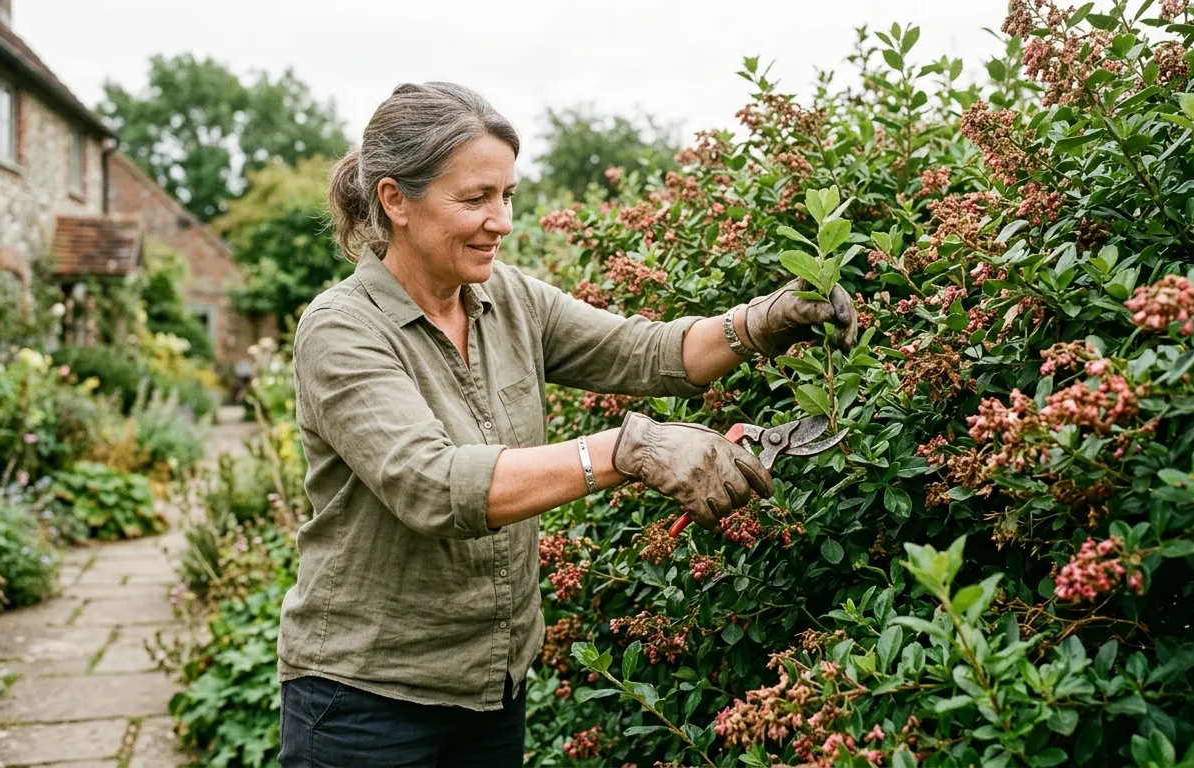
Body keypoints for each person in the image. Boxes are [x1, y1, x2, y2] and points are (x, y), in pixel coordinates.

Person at [277, 81, 858, 768]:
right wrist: (627, 450)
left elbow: (646, 352)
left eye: (507, 196)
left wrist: (758, 322)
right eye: (475, 199)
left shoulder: (509, 298)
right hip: (366, 702)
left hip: (492, 685)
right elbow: (432, 484)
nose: (502, 221)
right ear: (395, 201)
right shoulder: (343, 329)